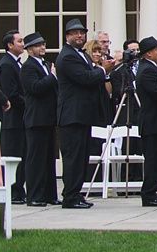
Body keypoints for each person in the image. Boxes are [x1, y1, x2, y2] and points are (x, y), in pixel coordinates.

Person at [55, 18, 108, 209]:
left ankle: (76, 193)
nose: (79, 36)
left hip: (82, 115)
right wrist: (103, 69)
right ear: (67, 36)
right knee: (73, 158)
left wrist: (101, 71)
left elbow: (92, 75)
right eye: (75, 33)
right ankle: (70, 196)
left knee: (82, 157)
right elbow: (85, 78)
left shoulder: (81, 55)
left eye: (82, 33)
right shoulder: (67, 56)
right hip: (72, 115)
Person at [20, 32, 57, 207]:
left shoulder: (46, 64)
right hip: (36, 118)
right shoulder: (28, 67)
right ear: (28, 50)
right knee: (36, 159)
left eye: (43, 44)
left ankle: (50, 194)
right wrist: (52, 77)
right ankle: (34, 195)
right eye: (37, 45)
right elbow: (35, 88)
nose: (42, 47)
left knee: (49, 158)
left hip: (49, 118)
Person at [135, 36, 157, 207]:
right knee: (153, 160)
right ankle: (149, 193)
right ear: (147, 54)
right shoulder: (147, 70)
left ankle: (153, 191)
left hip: (155, 122)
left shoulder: (153, 68)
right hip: (152, 122)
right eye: (156, 50)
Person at [0, 31, 26, 204]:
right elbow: (11, 94)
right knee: (13, 155)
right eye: (20, 41)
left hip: (19, 119)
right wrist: (29, 102)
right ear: (10, 45)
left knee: (21, 154)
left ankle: (18, 190)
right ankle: (13, 191)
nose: (23, 44)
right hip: (12, 120)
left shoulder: (17, 63)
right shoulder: (7, 64)